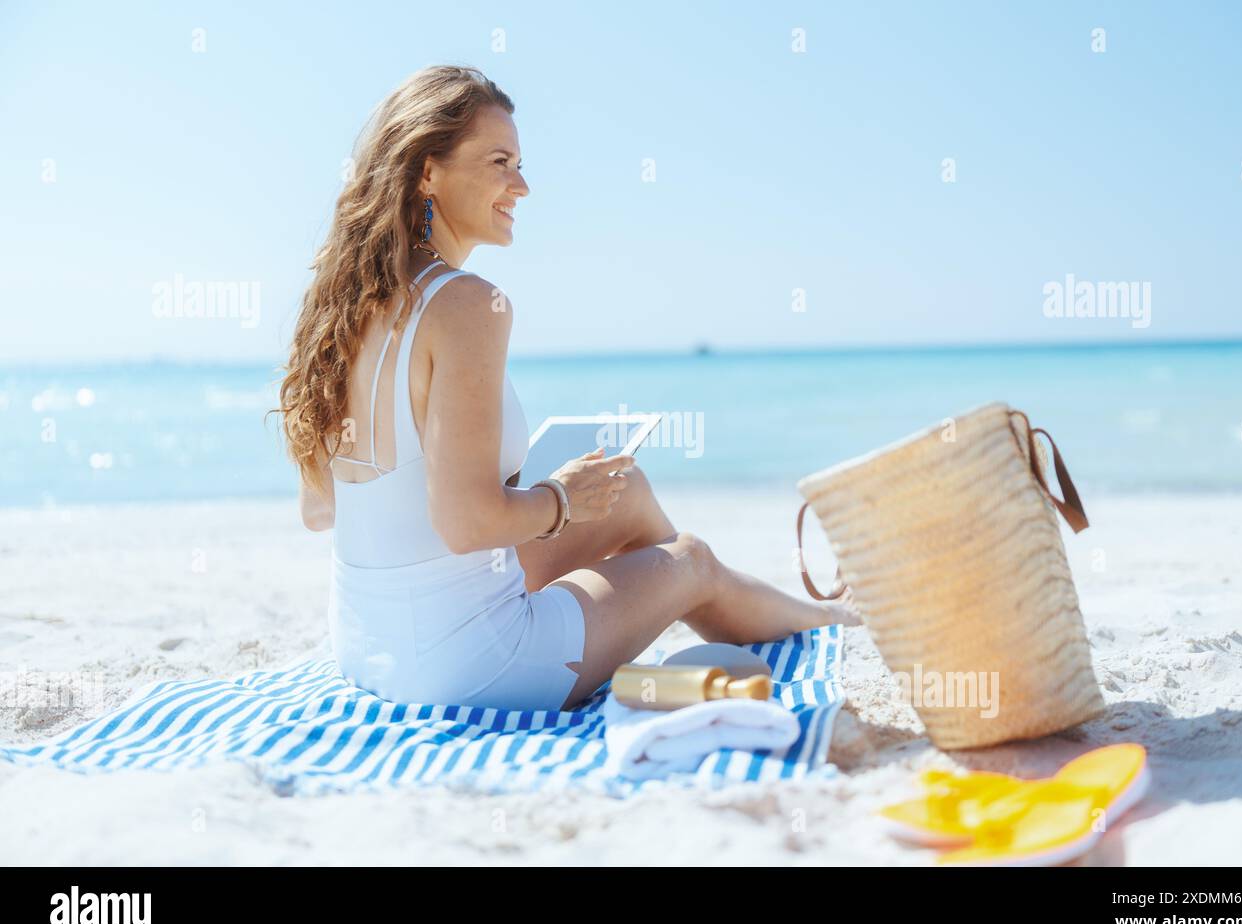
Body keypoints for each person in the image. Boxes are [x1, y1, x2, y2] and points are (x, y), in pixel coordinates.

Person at [273, 65, 860, 713]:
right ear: (427, 173)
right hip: (467, 666)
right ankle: (811, 619)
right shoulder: (467, 305)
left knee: (622, 488)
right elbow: (467, 524)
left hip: (365, 645)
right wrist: (559, 498)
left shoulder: (338, 309)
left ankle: (703, 598)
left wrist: (567, 499)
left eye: (520, 163)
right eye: (500, 162)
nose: (521, 186)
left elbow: (319, 509)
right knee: (689, 558)